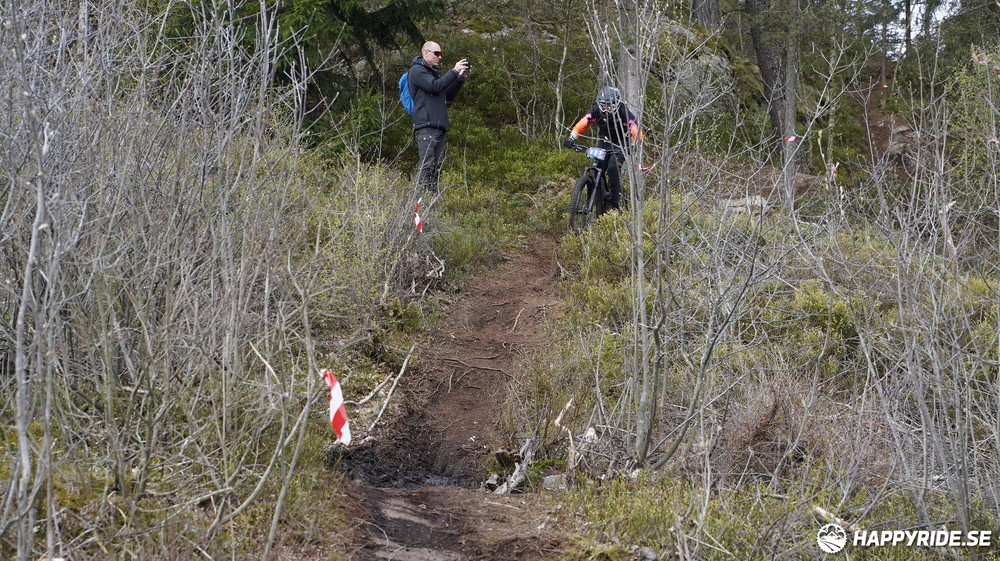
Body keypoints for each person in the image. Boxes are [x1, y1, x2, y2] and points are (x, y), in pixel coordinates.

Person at [563, 86, 641, 210]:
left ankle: (616, 205)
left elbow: (635, 129)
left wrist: (634, 145)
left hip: (621, 143)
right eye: (604, 105)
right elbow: (583, 123)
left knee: (612, 168)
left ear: (616, 103)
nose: (606, 108)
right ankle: (597, 200)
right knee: (597, 167)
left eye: (610, 105)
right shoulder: (596, 111)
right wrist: (571, 138)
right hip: (604, 142)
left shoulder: (623, 112)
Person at [408, 41, 470, 193]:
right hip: (426, 126)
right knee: (427, 165)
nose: (439, 57)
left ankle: (431, 200)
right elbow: (434, 86)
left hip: (438, 126)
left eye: (441, 54)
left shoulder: (433, 74)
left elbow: (447, 95)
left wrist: (460, 78)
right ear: (425, 53)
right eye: (437, 53)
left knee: (436, 168)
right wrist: (454, 71)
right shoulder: (417, 70)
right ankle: (420, 200)